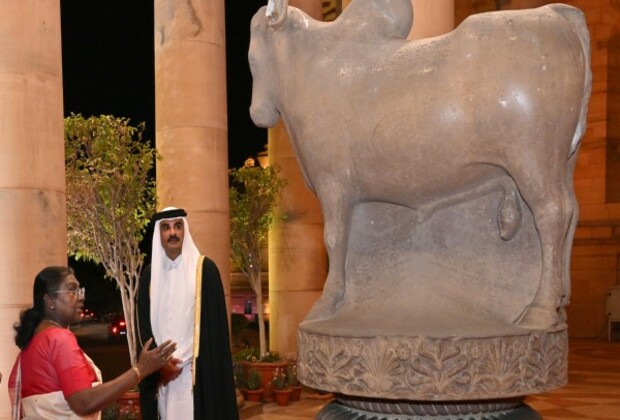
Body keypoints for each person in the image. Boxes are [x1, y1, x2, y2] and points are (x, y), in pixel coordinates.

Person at [8, 266, 177, 419]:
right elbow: (83, 403)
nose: (81, 297)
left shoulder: (34, 341)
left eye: (79, 290)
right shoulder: (58, 338)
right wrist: (140, 370)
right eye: (72, 290)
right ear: (50, 300)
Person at [137, 207, 239, 420]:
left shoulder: (205, 271)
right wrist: (159, 366)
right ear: (159, 234)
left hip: (197, 374)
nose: (172, 232)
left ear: (185, 230)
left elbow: (215, 333)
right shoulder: (149, 277)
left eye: (177, 226)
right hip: (162, 377)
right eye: (165, 228)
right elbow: (144, 327)